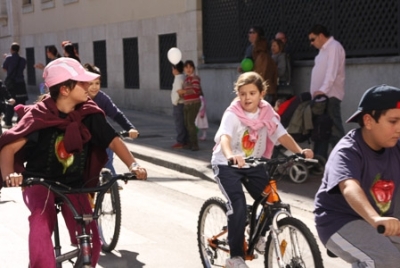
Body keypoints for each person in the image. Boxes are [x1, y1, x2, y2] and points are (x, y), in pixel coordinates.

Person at [0, 57, 147, 268]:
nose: (89, 86)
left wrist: (133, 165)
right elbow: (8, 147)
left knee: (93, 241)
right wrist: (9, 175)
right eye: (82, 82)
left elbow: (113, 141)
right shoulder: (39, 115)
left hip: (75, 184)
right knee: (41, 220)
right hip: (40, 183)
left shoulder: (89, 114)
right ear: (65, 90)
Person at [212, 71, 313, 268]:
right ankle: (235, 257)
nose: (246, 97)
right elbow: (225, 137)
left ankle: (258, 236)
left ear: (261, 94)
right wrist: (231, 155)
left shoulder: (266, 113)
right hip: (227, 165)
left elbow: (282, 136)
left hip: (254, 164)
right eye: (242, 93)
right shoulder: (233, 113)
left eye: (251, 93)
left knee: (272, 201)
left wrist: (300, 152)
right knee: (238, 205)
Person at [314, 84, 400, 267]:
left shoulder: (395, 145)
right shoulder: (347, 151)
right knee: (387, 261)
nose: (399, 128)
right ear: (368, 121)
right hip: (339, 221)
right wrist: (375, 219)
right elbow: (349, 187)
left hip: (379, 219)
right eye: (393, 122)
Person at [84, 63, 139, 175]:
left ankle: (111, 182)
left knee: (107, 158)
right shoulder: (80, 98)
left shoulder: (102, 98)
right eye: (90, 84)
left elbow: (116, 114)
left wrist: (130, 128)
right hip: (84, 138)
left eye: (97, 83)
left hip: (102, 135)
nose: (94, 87)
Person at [309, 24, 346, 160]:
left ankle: (345, 158)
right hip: (322, 97)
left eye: (313, 39)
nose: (311, 43)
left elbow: (332, 72)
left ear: (321, 36)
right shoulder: (323, 50)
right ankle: (320, 158)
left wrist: (323, 90)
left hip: (330, 95)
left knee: (334, 128)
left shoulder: (334, 47)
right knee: (322, 129)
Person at [1, 42, 29, 128]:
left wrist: (7, 58)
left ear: (11, 49)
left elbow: (4, 68)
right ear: (18, 50)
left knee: (11, 100)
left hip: (12, 83)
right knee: (21, 102)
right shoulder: (23, 60)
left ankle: (8, 121)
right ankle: (21, 121)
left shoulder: (8, 58)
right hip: (20, 83)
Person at [178, 60, 201, 151]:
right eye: (186, 67)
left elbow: (196, 90)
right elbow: (187, 92)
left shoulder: (194, 78)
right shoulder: (186, 79)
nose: (188, 69)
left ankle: (195, 144)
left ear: (193, 69)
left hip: (193, 103)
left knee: (190, 123)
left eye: (190, 67)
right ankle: (190, 142)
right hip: (187, 103)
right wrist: (182, 94)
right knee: (187, 123)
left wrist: (184, 91)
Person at [252, 37, 278, 105]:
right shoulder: (268, 57)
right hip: (269, 89)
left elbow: (260, 73)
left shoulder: (262, 57)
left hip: (265, 90)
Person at [170, 61, 188, 149]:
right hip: (184, 103)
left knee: (179, 123)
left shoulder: (178, 78)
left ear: (175, 69)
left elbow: (178, 92)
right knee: (184, 123)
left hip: (179, 104)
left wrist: (175, 101)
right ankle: (185, 140)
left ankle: (180, 141)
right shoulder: (184, 77)